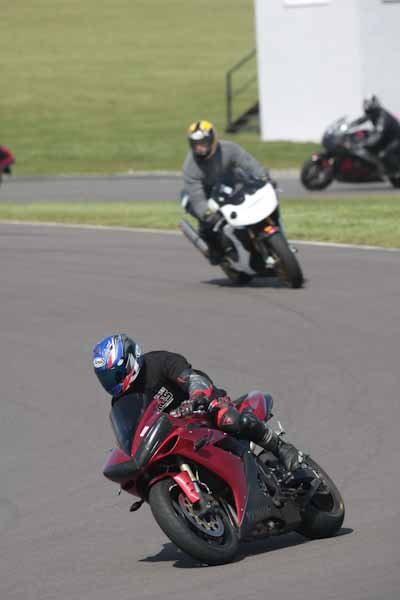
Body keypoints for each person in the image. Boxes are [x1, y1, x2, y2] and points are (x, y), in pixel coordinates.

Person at [92, 333, 303, 473]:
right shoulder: (121, 400)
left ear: (129, 361)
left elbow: (191, 378)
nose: (113, 383)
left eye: (116, 375)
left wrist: (196, 398)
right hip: (171, 433)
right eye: (106, 379)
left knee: (229, 419)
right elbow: (131, 433)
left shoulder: (158, 361)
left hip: (202, 407)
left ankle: (281, 448)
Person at [182, 120, 276, 265]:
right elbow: (197, 196)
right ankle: (215, 250)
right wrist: (206, 213)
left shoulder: (230, 149)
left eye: (203, 143)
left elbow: (249, 163)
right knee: (209, 223)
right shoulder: (190, 166)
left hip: (230, 184)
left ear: (212, 140)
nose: (199, 147)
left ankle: (273, 232)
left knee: (262, 195)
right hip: (207, 195)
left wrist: (264, 177)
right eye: (195, 144)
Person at [352, 95, 400, 175]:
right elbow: (361, 120)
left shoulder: (381, 115)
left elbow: (378, 133)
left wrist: (365, 142)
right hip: (387, 138)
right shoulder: (372, 113)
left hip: (396, 138)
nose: (366, 106)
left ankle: (395, 172)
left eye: (368, 104)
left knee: (384, 154)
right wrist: (349, 126)